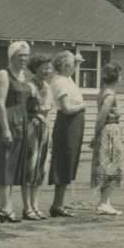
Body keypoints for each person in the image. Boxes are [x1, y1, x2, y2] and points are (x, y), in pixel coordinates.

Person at [0, 41, 36, 223]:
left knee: (15, 167)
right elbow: (0, 102)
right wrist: (5, 128)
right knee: (5, 166)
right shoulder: (4, 74)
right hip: (8, 123)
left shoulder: (25, 76)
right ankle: (5, 206)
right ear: (12, 56)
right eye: (20, 55)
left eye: (26, 55)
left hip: (22, 124)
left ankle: (7, 207)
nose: (24, 58)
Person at [47, 50, 87, 217]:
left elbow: (74, 63)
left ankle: (60, 203)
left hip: (74, 125)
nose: (74, 67)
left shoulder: (66, 78)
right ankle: (56, 205)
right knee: (64, 161)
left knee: (70, 161)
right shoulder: (60, 82)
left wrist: (76, 59)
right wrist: (82, 106)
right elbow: (67, 108)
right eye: (71, 65)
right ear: (65, 66)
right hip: (67, 123)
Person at [21, 54, 55, 220]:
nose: (48, 70)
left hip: (44, 128)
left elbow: (47, 109)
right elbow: (23, 110)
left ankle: (35, 205)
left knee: (41, 168)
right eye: (45, 67)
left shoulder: (47, 87)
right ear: (36, 68)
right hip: (31, 128)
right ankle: (27, 207)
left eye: (49, 67)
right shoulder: (29, 87)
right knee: (30, 167)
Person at [90, 61, 124, 216]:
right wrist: (96, 134)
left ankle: (105, 202)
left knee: (108, 165)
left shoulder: (104, 91)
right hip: (110, 132)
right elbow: (101, 118)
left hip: (108, 132)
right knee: (111, 165)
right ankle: (103, 203)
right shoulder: (110, 95)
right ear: (116, 76)